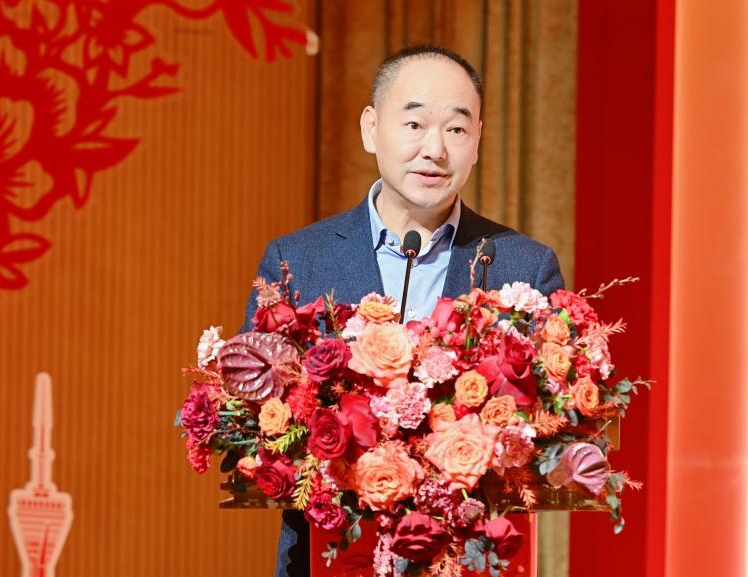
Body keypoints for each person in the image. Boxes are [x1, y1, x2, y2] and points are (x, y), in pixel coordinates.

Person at [242, 44, 565, 577]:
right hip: (332, 557)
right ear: (371, 129)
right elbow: (252, 421)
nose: (434, 149)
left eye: (456, 129)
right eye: (414, 124)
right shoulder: (298, 261)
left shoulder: (522, 267)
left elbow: (554, 429)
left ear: (477, 141)